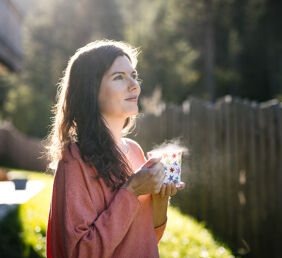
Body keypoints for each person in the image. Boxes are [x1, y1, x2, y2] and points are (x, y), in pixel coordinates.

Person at [46, 39, 185, 258]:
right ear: (90, 90)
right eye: (119, 77)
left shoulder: (134, 150)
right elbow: (80, 252)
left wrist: (160, 199)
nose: (135, 86)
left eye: (134, 76)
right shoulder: (74, 160)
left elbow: (147, 238)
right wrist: (131, 191)